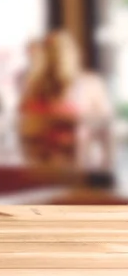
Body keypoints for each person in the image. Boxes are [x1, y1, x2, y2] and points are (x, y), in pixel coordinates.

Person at [19, 30, 113, 172]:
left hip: (64, 171)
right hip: (51, 171)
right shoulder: (32, 91)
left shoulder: (87, 85)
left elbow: (105, 127)